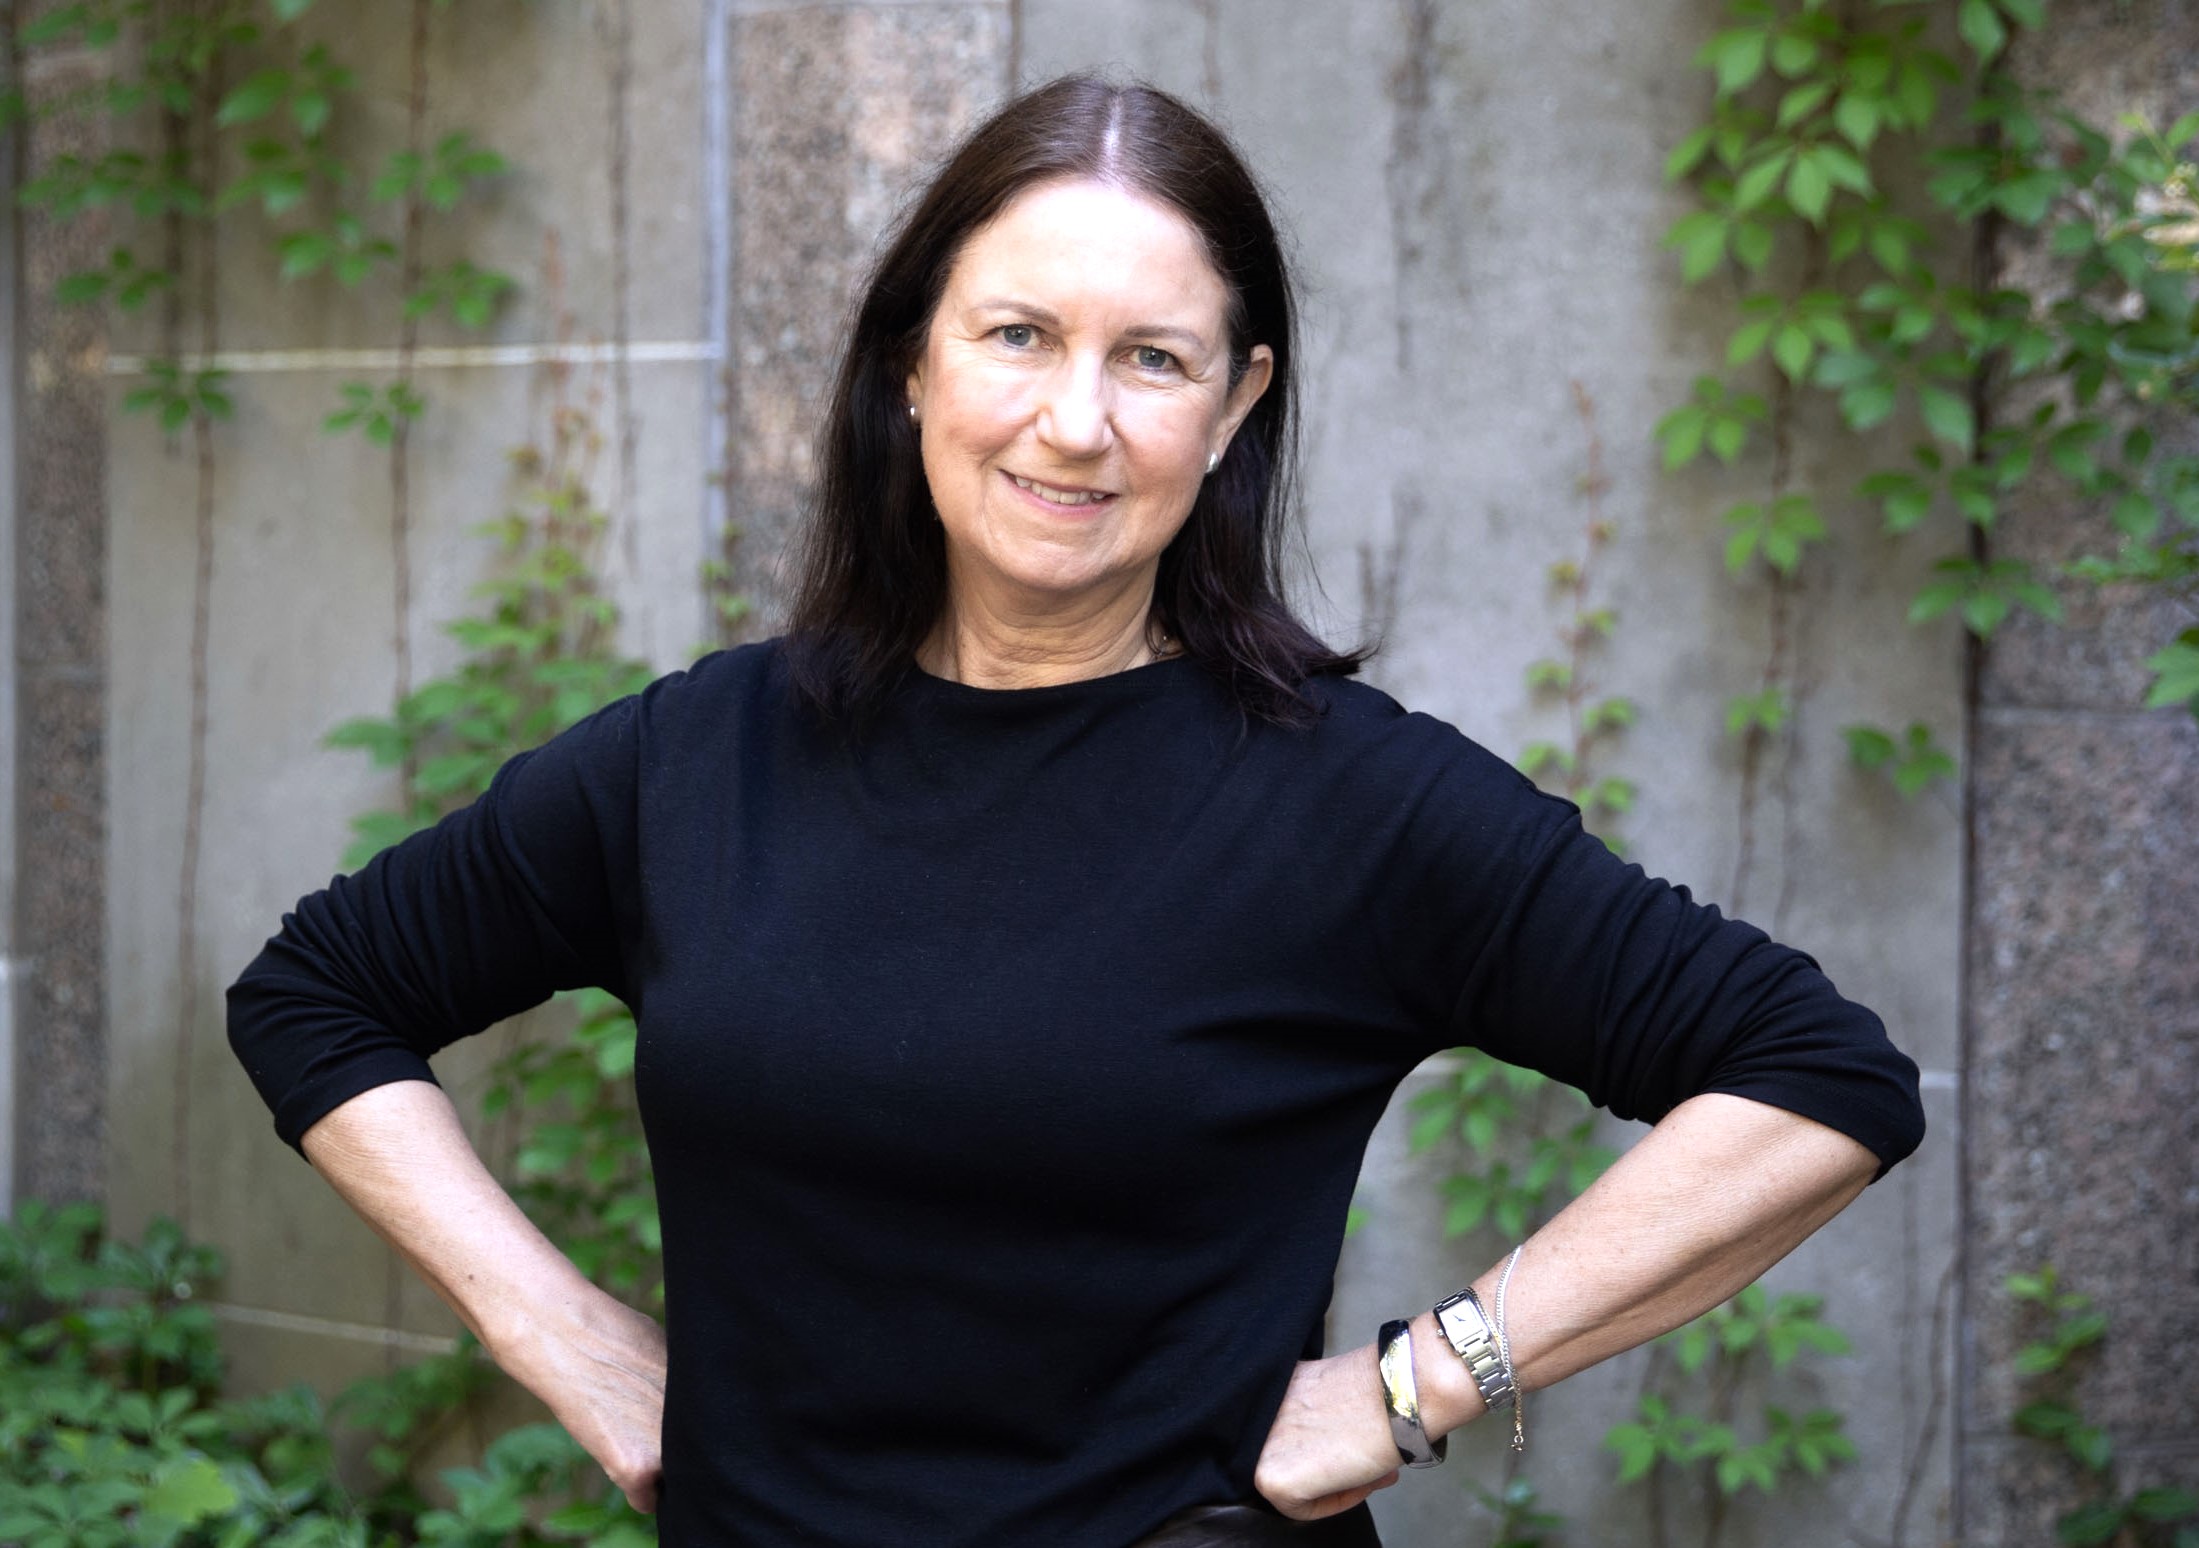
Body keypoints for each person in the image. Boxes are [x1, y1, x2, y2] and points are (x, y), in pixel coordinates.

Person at [227, 75, 1925, 1548]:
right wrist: (555, 1329)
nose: (1075, 421)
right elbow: (319, 992)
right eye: (1019, 334)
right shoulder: (699, 759)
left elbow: (1817, 1080)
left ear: (1236, 405)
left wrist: (1418, 1382)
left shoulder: (1347, 800)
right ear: (913, 362)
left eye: (1153, 359)